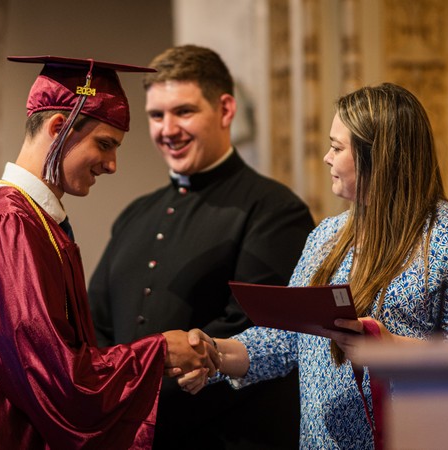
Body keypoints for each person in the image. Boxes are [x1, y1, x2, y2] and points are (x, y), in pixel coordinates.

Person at [176, 82, 448, 449]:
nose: (326, 157)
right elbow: (285, 341)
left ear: (379, 158)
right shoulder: (326, 235)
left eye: (337, 148)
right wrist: (214, 354)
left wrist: (389, 345)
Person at [0, 55, 219, 450]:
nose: (112, 165)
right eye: (105, 144)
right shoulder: (10, 226)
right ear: (59, 127)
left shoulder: (36, 221)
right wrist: (158, 353)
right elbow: (58, 380)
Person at [88, 45, 315, 449]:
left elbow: (252, 332)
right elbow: (98, 323)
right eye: (156, 115)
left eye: (184, 111)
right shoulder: (134, 215)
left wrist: (135, 399)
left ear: (225, 109)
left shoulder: (275, 210)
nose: (168, 129)